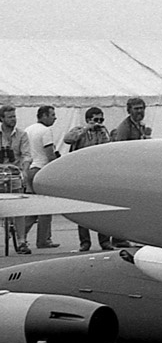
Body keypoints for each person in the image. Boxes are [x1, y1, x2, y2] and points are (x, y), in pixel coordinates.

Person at [63, 106, 113, 251]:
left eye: (101, 119)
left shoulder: (103, 132)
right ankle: (85, 242)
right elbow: (68, 139)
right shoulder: (79, 130)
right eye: (96, 120)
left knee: (103, 210)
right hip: (81, 176)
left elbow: (108, 147)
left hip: (99, 176)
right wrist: (86, 129)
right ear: (88, 120)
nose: (99, 122)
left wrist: (102, 131)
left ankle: (105, 241)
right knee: (82, 210)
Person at [21, 105, 61, 249]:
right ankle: (44, 240)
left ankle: (20, 235)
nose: (55, 118)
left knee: (33, 208)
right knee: (46, 207)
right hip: (42, 170)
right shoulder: (46, 131)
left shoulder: (28, 129)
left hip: (30, 169)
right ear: (44, 116)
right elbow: (50, 154)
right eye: (52, 115)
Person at [0, 105, 31, 253]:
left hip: (14, 173)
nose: (13, 119)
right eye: (10, 117)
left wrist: (24, 170)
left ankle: (21, 241)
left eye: (14, 116)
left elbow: (26, 155)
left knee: (19, 208)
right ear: (2, 118)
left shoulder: (22, 134)